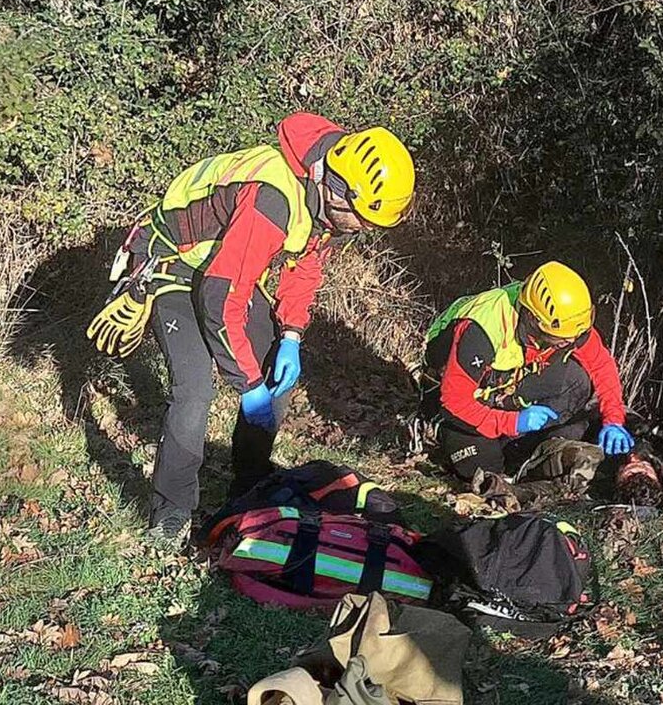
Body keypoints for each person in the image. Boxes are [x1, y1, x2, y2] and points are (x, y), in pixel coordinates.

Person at [87, 112, 416, 546]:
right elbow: (220, 301)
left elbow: (305, 266)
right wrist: (247, 384)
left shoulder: (327, 191)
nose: (364, 232)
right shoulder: (273, 199)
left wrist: (292, 336)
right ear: (340, 195)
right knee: (194, 392)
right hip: (175, 265)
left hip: (225, 264)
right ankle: (170, 514)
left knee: (275, 380)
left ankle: (250, 488)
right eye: (365, 222)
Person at [420, 261, 635, 480]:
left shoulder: (567, 322)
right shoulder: (482, 328)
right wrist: (513, 423)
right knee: (486, 472)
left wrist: (614, 420)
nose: (571, 340)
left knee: (577, 381)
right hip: (459, 399)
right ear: (533, 319)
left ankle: (528, 446)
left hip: (507, 384)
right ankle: (439, 428)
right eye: (561, 337)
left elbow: (601, 365)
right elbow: (455, 401)